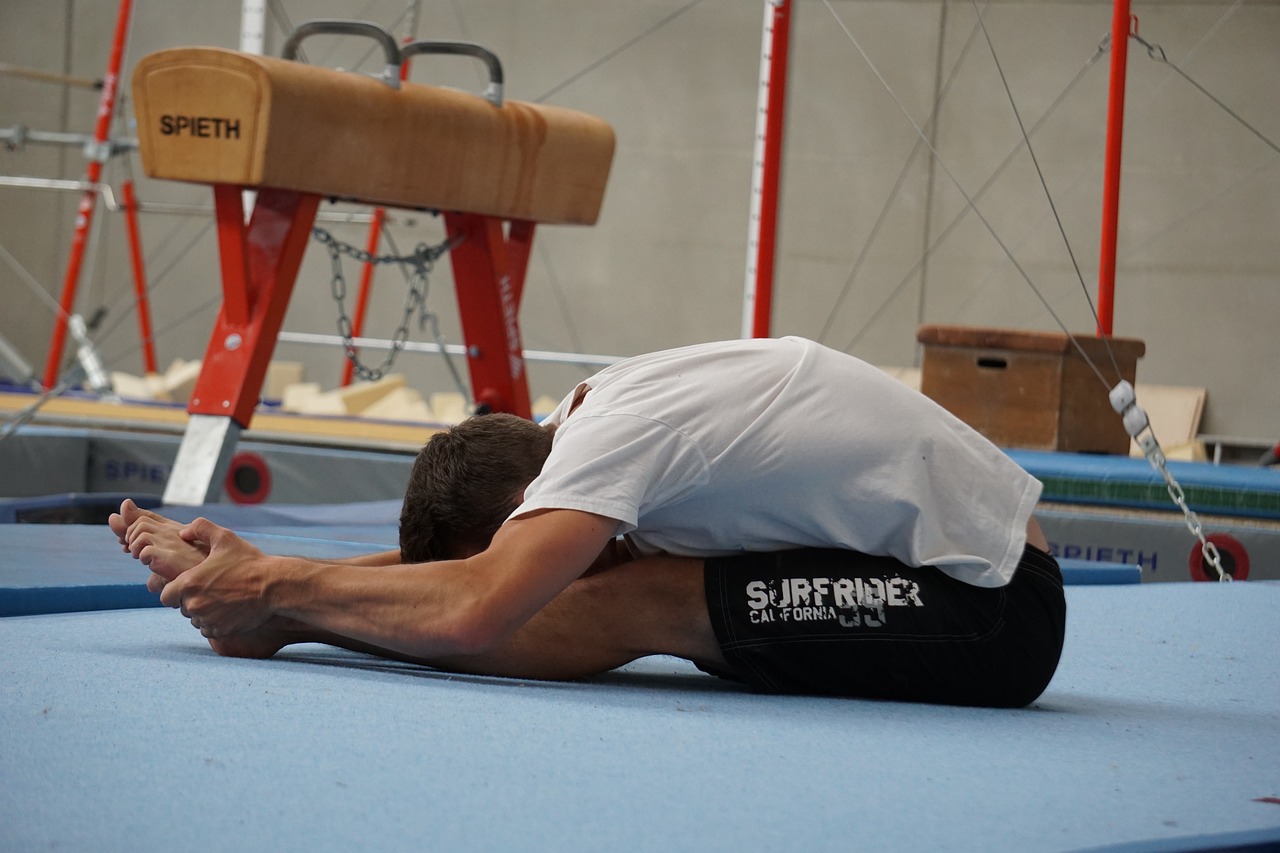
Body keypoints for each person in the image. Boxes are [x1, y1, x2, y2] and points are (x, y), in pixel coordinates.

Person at [113, 336, 1065, 707]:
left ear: (532, 509)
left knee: (643, 595)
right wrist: (281, 569)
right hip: (933, 569)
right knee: (612, 575)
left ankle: (278, 618)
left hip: (990, 608)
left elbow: (477, 605)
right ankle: (281, 614)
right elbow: (487, 571)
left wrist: (275, 593)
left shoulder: (612, 445)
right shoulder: (577, 429)